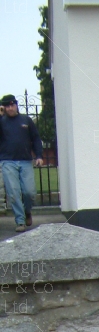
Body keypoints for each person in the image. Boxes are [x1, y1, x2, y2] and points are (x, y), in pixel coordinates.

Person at [0, 94, 44, 232]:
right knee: (13, 192)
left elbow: (36, 138)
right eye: (7, 106)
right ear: (4, 107)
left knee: (29, 192)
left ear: (17, 105)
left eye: (13, 105)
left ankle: (27, 211)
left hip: (25, 161)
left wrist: (39, 155)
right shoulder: (2, 121)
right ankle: (20, 221)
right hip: (7, 161)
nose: (11, 108)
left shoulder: (26, 120)